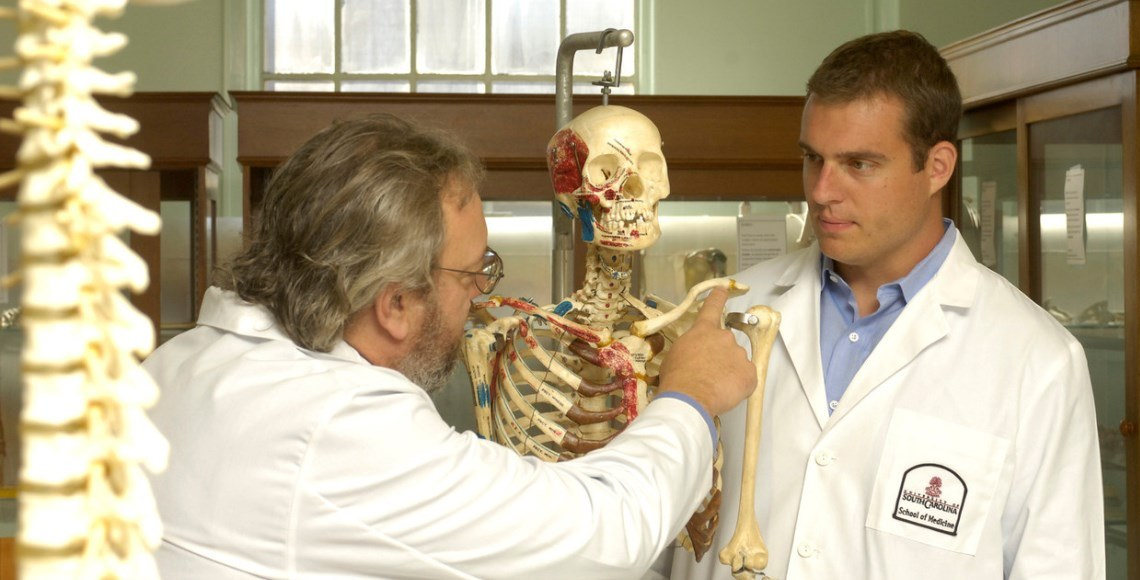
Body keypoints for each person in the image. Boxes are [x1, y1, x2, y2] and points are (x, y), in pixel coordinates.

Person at [143, 114, 757, 579]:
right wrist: (689, 395)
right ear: (396, 304)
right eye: (472, 274)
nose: (481, 299)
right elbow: (606, 532)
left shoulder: (173, 367)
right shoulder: (339, 427)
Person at [672, 30, 1105, 579]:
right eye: (813, 159)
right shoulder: (727, 312)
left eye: (860, 164)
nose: (823, 190)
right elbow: (661, 532)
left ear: (938, 166)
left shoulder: (1037, 361)